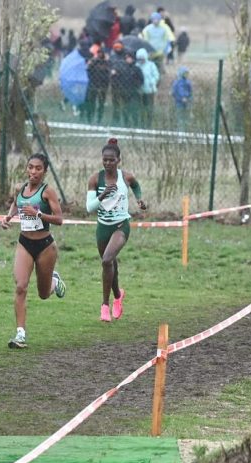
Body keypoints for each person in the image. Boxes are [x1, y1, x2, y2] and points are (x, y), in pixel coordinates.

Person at [0, 153, 66, 348]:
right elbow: (16, 203)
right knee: (21, 286)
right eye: (30, 167)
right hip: (24, 243)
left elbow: (59, 219)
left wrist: (38, 213)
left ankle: (55, 281)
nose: (33, 171)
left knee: (43, 294)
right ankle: (20, 334)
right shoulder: (21, 188)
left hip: (45, 245)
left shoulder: (48, 192)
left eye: (38, 168)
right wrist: (8, 217)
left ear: (45, 171)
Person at [86, 138, 147, 322]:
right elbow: (89, 208)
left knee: (107, 260)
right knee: (110, 265)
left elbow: (135, 186)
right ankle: (118, 296)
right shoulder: (95, 179)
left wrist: (139, 199)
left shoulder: (125, 177)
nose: (107, 163)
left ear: (118, 160)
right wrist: (103, 194)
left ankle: (105, 305)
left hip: (121, 226)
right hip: (102, 228)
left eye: (111, 160)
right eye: (105, 159)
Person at [85, 44, 110, 124]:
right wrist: (90, 64)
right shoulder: (93, 62)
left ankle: (99, 119)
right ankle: (90, 118)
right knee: (91, 102)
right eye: (99, 53)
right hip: (93, 85)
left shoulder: (106, 63)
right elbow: (88, 72)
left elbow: (108, 75)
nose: (100, 55)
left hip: (103, 86)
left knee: (101, 104)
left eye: (101, 53)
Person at [135, 48, 159, 127]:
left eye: (142, 58)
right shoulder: (137, 65)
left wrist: (152, 82)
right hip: (140, 90)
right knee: (141, 108)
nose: (141, 60)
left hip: (150, 90)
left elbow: (156, 75)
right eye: (139, 59)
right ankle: (141, 123)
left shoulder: (151, 65)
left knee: (149, 108)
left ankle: (149, 123)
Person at [171, 66, 192, 130]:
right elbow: (174, 92)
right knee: (180, 117)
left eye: (187, 73)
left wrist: (189, 98)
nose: (186, 75)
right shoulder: (177, 82)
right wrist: (181, 98)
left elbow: (190, 92)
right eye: (185, 73)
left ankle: (186, 130)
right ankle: (180, 130)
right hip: (179, 102)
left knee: (186, 117)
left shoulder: (188, 82)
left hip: (187, 102)